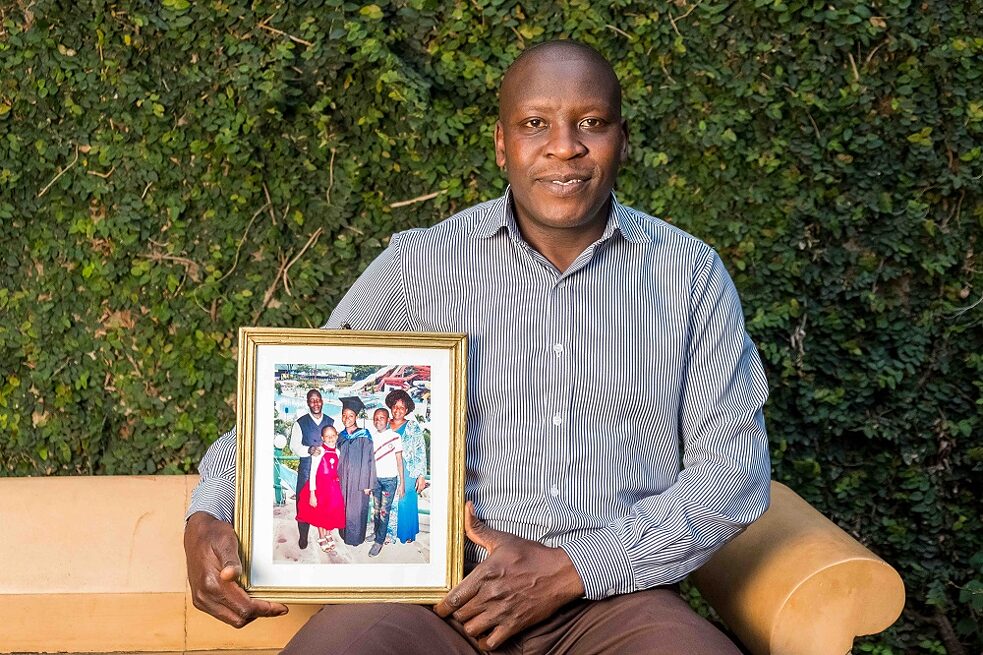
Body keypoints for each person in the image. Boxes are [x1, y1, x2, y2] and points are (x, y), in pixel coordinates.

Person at [185, 40, 770, 654]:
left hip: (616, 604)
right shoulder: (418, 268)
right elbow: (293, 404)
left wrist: (577, 567)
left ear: (624, 140)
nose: (564, 145)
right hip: (437, 601)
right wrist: (206, 515)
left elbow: (734, 474)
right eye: (535, 124)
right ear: (501, 144)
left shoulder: (689, 275)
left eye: (591, 124)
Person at [287, 389, 334, 550]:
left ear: (322, 401)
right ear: (308, 403)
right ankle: (303, 536)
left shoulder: (331, 421)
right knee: (303, 503)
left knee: (326, 503)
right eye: (312, 400)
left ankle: (326, 534)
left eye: (318, 399)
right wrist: (309, 450)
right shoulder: (300, 423)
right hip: (306, 470)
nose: (315, 403)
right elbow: (294, 446)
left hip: (326, 471)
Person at [384, 389, 427, 545]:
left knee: (405, 501)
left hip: (408, 470)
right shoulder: (384, 424)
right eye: (395, 406)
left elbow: (421, 450)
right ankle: (388, 534)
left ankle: (406, 533)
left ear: (407, 410)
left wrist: (421, 476)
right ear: (390, 407)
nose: (398, 410)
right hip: (387, 469)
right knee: (388, 501)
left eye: (402, 407)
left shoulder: (412, 426)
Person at [295, 426, 346, 553]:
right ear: (322, 438)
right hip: (320, 488)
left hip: (333, 488)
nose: (330, 438)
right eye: (327, 436)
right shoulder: (319, 451)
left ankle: (328, 533)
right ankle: (322, 536)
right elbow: (312, 473)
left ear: (337, 436)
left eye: (333, 435)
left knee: (331, 511)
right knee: (321, 513)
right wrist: (312, 493)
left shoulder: (338, 452)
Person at [366, 405, 407, 556]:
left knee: (384, 512)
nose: (378, 421)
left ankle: (379, 541)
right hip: (375, 480)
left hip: (390, 480)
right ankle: (377, 534)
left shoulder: (395, 437)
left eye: (381, 418)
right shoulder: (372, 437)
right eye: (376, 418)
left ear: (388, 420)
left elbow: (399, 460)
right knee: (377, 510)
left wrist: (401, 482)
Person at [335, 396, 376, 546]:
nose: (347, 418)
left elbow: (369, 460)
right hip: (343, 479)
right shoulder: (340, 436)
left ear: (356, 417)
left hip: (359, 480)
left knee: (357, 511)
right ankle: (344, 534)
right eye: (344, 415)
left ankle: (356, 538)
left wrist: (367, 484)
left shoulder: (364, 435)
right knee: (344, 508)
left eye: (350, 415)